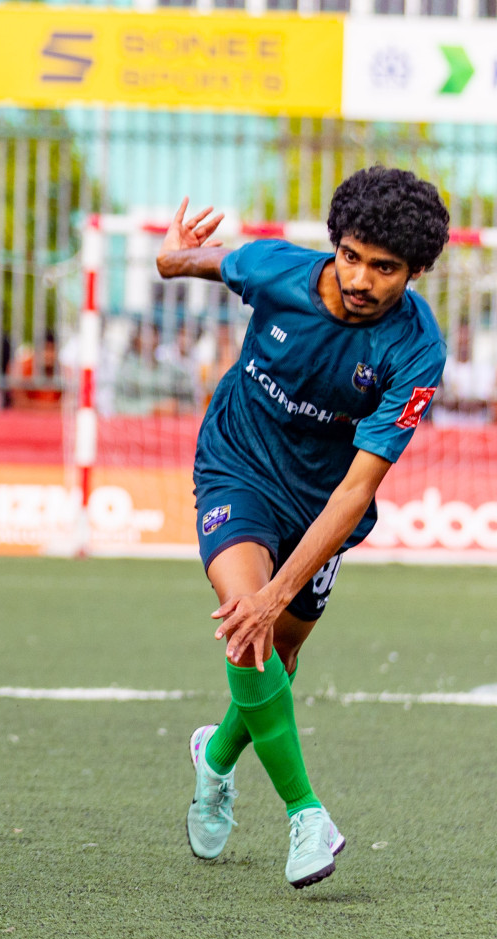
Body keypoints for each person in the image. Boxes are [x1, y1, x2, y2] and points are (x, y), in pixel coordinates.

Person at [158, 168, 449, 889]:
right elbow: (181, 263)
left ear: (413, 274)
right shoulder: (275, 267)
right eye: (351, 255)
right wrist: (171, 252)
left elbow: (358, 488)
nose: (360, 278)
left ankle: (215, 757)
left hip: (322, 504)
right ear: (335, 245)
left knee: (279, 652)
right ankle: (305, 815)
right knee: (244, 622)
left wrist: (279, 592)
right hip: (237, 466)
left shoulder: (417, 350)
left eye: (384, 269)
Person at [434, 322, 494, 426]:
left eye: (466, 341)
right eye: (460, 341)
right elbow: (434, 397)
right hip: (445, 427)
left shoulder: (483, 369)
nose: (463, 344)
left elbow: (488, 399)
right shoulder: (443, 366)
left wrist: (466, 402)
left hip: (474, 428)